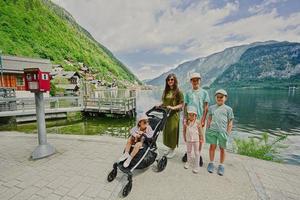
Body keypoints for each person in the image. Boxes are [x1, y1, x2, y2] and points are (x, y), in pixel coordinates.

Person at [182, 72, 210, 167]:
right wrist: (184, 118)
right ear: (191, 81)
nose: (195, 82)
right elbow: (185, 106)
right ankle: (188, 153)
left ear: (200, 80)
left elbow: (206, 107)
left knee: (200, 138)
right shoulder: (188, 93)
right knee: (189, 136)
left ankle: (199, 154)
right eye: (193, 80)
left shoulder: (204, 92)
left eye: (197, 80)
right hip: (189, 119)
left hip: (199, 119)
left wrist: (203, 119)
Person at [206, 89, 234, 176]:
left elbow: (230, 122)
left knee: (222, 148)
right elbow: (209, 118)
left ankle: (221, 165)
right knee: (212, 146)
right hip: (212, 131)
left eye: (221, 97)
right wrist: (208, 127)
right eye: (217, 97)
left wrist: (228, 132)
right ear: (215, 98)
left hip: (223, 132)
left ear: (225, 98)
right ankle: (211, 162)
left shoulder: (228, 109)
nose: (219, 98)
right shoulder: (211, 108)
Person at [158, 73, 184, 158]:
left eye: (172, 79)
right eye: (168, 80)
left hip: (174, 116)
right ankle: (169, 148)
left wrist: (173, 108)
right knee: (167, 132)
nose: (170, 81)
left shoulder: (178, 92)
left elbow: (182, 104)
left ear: (175, 80)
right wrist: (159, 105)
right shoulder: (166, 91)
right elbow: (165, 103)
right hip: (166, 114)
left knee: (173, 132)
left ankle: (173, 150)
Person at [183, 106, 203, 173]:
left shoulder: (197, 122)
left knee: (197, 153)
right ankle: (188, 162)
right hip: (188, 139)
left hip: (196, 140)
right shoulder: (186, 122)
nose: (191, 116)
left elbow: (200, 132)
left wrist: (201, 139)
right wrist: (184, 137)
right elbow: (184, 130)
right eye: (190, 115)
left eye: (193, 115)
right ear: (188, 115)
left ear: (195, 115)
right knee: (188, 151)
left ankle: (196, 166)